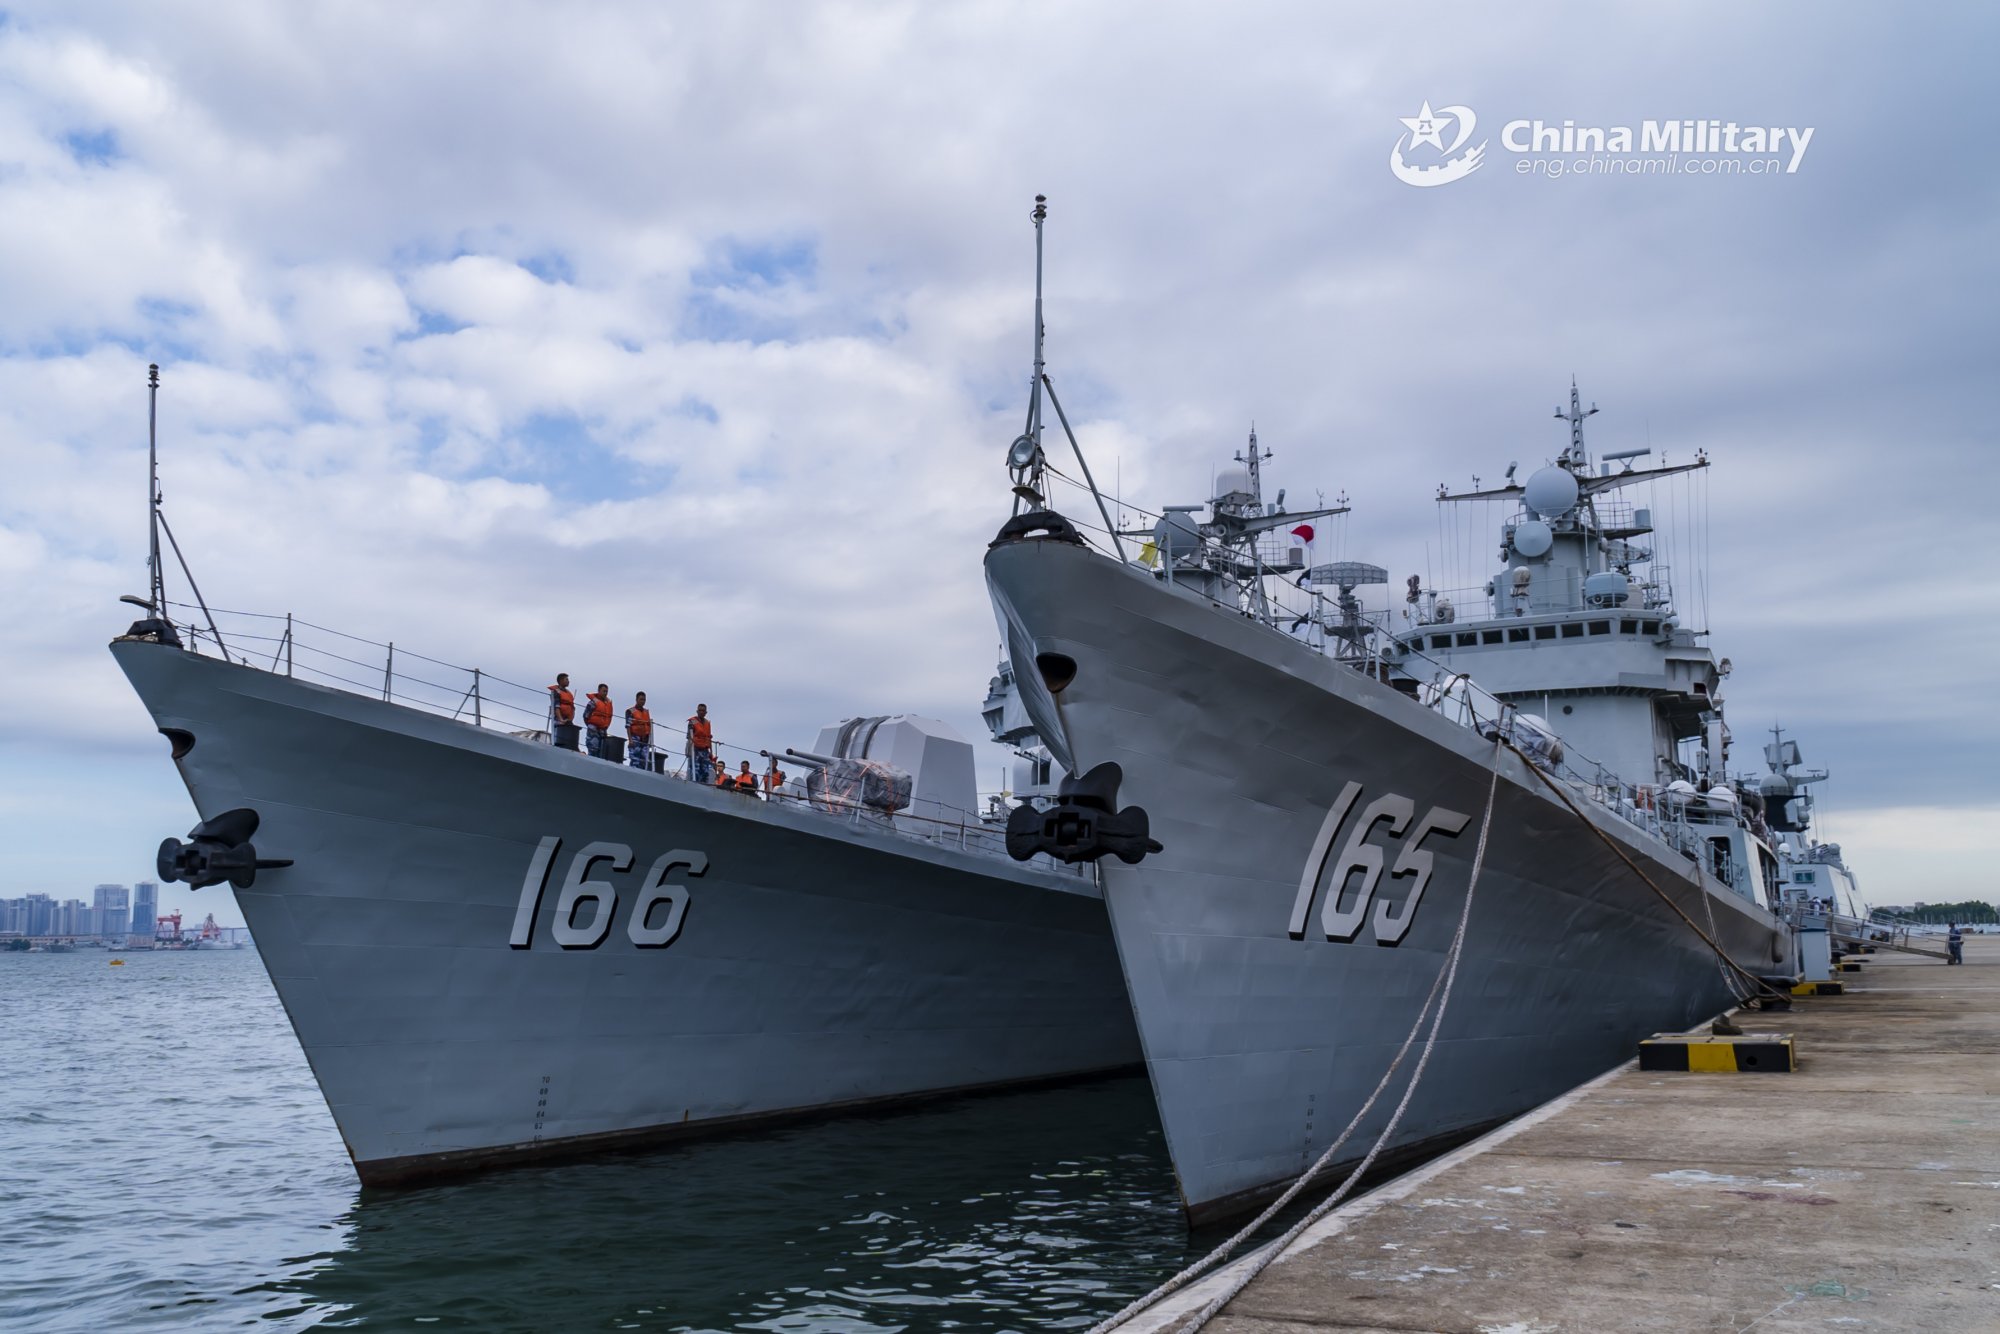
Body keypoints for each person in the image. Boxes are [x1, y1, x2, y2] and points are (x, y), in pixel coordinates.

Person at [583, 684, 614, 758]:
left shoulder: (608, 704)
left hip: (603, 730)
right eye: (604, 691)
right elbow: (585, 715)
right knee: (593, 748)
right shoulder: (593, 702)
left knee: (602, 750)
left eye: (606, 691)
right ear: (599, 691)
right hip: (593, 729)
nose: (605, 693)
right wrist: (590, 725)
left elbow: (609, 716)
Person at [687, 704, 715, 784]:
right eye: (700, 710)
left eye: (703, 710)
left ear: (706, 712)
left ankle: (704, 785)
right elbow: (689, 737)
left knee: (706, 771)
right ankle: (694, 784)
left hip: (705, 750)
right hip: (695, 749)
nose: (701, 712)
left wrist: (711, 752)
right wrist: (689, 750)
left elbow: (709, 737)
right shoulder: (692, 722)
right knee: (695, 770)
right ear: (697, 711)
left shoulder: (707, 723)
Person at [625, 691, 654, 770]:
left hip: (644, 740)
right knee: (635, 761)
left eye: (644, 700)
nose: (643, 701)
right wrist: (630, 740)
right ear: (636, 699)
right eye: (641, 699)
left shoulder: (646, 712)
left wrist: (650, 741)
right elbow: (628, 726)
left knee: (644, 762)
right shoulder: (630, 711)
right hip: (635, 739)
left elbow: (649, 726)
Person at [547, 673, 575, 745]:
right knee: (558, 739)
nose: (568, 681)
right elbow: (557, 706)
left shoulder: (569, 694)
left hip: (568, 720)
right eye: (566, 679)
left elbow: (572, 708)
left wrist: (570, 720)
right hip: (559, 719)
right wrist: (561, 720)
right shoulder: (556, 692)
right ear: (561, 681)